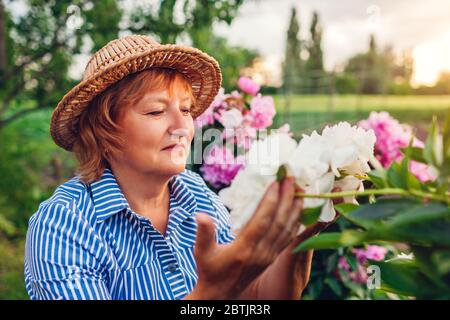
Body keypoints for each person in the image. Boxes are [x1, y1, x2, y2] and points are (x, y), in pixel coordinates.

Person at [24, 34, 328, 300]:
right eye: (156, 111)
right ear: (103, 133)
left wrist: (304, 232)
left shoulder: (196, 194)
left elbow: (259, 296)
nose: (183, 126)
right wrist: (211, 292)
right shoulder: (63, 227)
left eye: (185, 109)